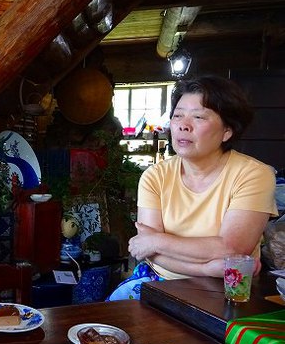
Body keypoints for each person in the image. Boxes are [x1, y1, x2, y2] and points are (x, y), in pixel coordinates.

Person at [109, 75, 278, 300]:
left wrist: (157, 241)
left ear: (227, 130)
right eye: (178, 115)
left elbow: (231, 249)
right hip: (157, 281)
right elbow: (151, 255)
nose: (183, 125)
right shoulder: (155, 176)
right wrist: (206, 268)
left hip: (227, 291)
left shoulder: (254, 175)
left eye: (198, 117)